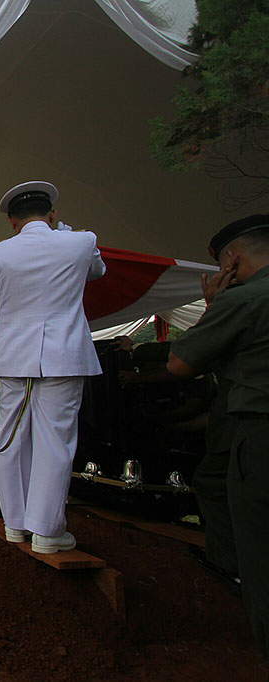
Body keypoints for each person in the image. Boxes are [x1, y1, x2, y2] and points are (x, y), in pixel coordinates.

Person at [0, 181, 105, 554]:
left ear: (12, 222)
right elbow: (97, 271)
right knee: (55, 442)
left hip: (12, 360)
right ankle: (46, 529)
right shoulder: (82, 242)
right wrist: (65, 232)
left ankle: (15, 524)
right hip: (64, 355)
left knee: (9, 441)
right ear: (53, 214)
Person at [166, 214, 269, 666]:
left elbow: (180, 364)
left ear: (232, 259)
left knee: (261, 562)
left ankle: (234, 573)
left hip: (261, 435)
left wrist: (214, 306)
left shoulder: (245, 298)